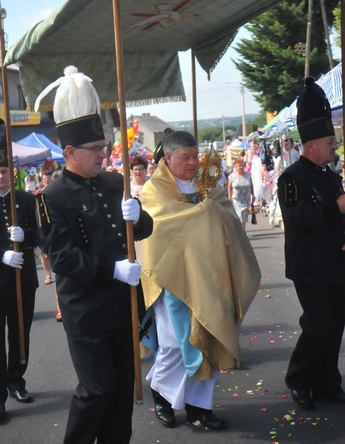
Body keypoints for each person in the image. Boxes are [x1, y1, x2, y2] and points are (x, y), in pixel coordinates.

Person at [35, 66, 153, 444]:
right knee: (97, 389)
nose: (105, 154)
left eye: (104, 147)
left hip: (124, 305)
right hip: (86, 311)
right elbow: (64, 257)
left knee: (121, 391)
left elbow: (144, 229)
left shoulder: (115, 181)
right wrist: (114, 270)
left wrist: (140, 215)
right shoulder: (51, 197)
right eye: (96, 149)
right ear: (69, 152)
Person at [137, 131, 261, 430]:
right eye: (186, 157)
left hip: (210, 276)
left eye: (195, 156)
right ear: (168, 158)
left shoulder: (209, 186)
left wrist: (210, 212)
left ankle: (198, 408)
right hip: (173, 279)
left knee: (210, 338)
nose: (193, 163)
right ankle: (161, 396)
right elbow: (157, 231)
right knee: (174, 346)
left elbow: (226, 216)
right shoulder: (154, 191)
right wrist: (200, 216)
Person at [278, 76, 345, 411]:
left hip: (336, 263)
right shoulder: (291, 178)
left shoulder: (331, 176)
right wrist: (336, 208)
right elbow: (298, 217)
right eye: (330, 141)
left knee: (335, 326)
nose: (335, 146)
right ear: (311, 145)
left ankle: (327, 381)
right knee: (318, 326)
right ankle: (300, 381)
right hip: (309, 265)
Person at [0, 121, 38, 418]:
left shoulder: (25, 199)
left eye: (3, 171)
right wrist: (2, 254)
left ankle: (16, 381)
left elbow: (41, 235)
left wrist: (26, 235)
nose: (0, 177)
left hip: (23, 278)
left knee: (20, 333)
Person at [228, 156, 255, 230]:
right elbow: (229, 187)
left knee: (244, 216)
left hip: (246, 199)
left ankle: (243, 230)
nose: (241, 167)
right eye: (239, 165)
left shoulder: (248, 175)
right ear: (235, 166)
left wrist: (253, 195)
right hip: (236, 199)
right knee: (239, 215)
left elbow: (251, 185)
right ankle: (240, 231)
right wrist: (229, 197)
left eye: (242, 165)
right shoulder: (232, 176)